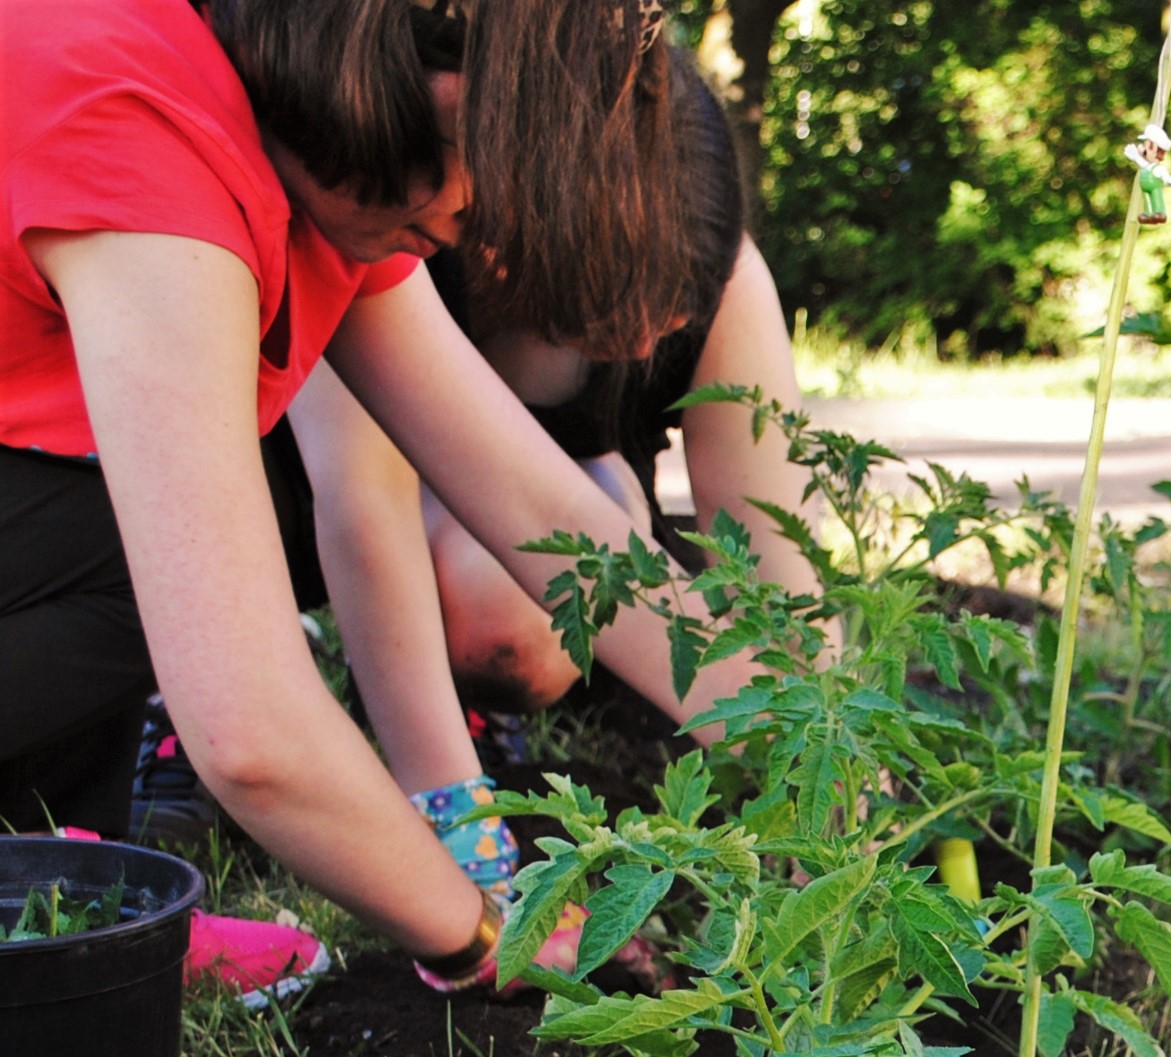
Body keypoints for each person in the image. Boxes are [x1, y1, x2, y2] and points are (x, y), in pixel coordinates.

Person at [0, 0, 760, 994]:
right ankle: (56, 891)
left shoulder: (302, 161)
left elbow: (535, 504)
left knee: (186, 527)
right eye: (475, 164)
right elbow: (253, 736)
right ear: (399, 76)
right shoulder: (146, 136)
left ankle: (61, 887)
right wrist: (484, 937)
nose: (465, 221)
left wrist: (786, 714)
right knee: (182, 543)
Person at [249, 40, 818, 900]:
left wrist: (826, 747)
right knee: (481, 608)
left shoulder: (725, 275)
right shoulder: (392, 211)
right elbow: (363, 505)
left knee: (526, 617)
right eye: (623, 300)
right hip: (296, 510)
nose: (639, 342)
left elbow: (781, 566)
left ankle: (535, 688)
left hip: (557, 524)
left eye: (677, 311)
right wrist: (461, 829)